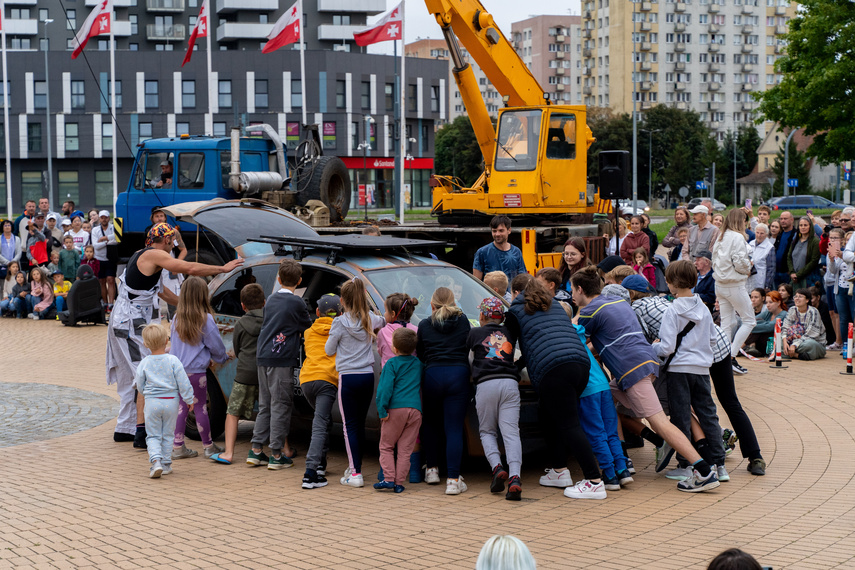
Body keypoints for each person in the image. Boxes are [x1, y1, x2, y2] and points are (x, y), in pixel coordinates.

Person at [572, 266, 720, 493]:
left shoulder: (590, 310)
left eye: (572, 290)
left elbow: (572, 335)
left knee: (659, 421)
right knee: (607, 394)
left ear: (580, 289)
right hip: (647, 363)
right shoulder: (619, 303)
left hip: (632, 371)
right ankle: (622, 463)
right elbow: (608, 337)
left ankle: (703, 469)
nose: (572, 295)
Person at [107, 222, 242, 444]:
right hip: (130, 322)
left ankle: (126, 427)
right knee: (146, 373)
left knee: (129, 375)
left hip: (127, 321)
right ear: (167, 240)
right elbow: (188, 268)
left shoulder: (146, 257)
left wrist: (189, 305)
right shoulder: (153, 255)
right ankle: (142, 432)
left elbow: (163, 293)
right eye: (173, 241)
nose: (174, 245)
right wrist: (222, 268)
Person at [506, 277, 606, 499]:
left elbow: (507, 344)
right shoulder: (555, 307)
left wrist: (513, 366)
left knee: (569, 423)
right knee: (548, 414)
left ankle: (594, 481)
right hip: (580, 364)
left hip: (553, 369)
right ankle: (559, 470)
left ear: (516, 293)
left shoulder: (515, 310)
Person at [653, 260, 729, 484]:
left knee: (681, 416)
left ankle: (686, 464)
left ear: (673, 283)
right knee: (708, 414)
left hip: (679, 370)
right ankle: (720, 463)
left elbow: (666, 348)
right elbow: (713, 339)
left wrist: (653, 347)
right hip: (702, 368)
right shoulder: (703, 307)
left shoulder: (672, 309)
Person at [248, 259, 310, 469]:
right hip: (282, 358)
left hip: (263, 356)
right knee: (281, 405)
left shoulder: (271, 299)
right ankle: (276, 454)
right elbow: (306, 326)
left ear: (278, 278)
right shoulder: (297, 303)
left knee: (265, 404)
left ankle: (256, 449)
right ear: (300, 280)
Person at [325, 278, 386, 487]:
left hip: (348, 378)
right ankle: (355, 466)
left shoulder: (339, 323)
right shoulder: (371, 319)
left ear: (342, 300)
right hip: (367, 376)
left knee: (348, 425)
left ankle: (355, 473)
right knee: (359, 424)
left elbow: (329, 350)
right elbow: (385, 322)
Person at [466, 297, 523, 500]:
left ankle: (497, 468)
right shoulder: (509, 332)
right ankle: (515, 477)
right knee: (511, 433)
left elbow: (468, 359)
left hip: (486, 384)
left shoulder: (474, 333)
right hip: (510, 383)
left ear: (481, 315)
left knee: (487, 431)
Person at [416, 286, 472, 495]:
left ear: (431, 305)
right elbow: (467, 347)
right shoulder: (464, 320)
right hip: (458, 374)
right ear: (454, 302)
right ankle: (453, 480)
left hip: (432, 375)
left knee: (430, 423)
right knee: (454, 428)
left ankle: (431, 470)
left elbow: (420, 353)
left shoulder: (424, 324)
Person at [168, 276, 230, 460]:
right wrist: (221, 358)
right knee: (200, 407)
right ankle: (208, 446)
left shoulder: (177, 318)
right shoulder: (206, 319)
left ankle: (177, 446)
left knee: (182, 408)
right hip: (197, 373)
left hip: (178, 371)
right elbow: (217, 346)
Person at [573, 316, 633, 492]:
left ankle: (609, 473)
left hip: (587, 389)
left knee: (595, 431)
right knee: (610, 430)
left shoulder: (561, 336)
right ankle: (622, 470)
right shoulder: (579, 335)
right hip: (603, 385)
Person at [209, 284, 262, 466]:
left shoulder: (240, 323)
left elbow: (237, 349)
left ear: (242, 306)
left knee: (232, 413)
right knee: (271, 410)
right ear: (264, 302)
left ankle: (229, 453)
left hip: (244, 374)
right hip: (264, 372)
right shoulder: (270, 321)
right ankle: (284, 449)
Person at [134, 323, 195, 479]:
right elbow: (183, 381)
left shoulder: (145, 362)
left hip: (152, 402)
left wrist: (144, 392)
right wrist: (188, 398)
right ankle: (167, 463)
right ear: (166, 341)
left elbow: (139, 383)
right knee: (168, 434)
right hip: (171, 401)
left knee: (153, 435)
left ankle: (156, 461)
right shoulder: (173, 360)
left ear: (146, 344)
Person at [299, 293, 341, 489]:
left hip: (307, 381)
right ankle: (310, 473)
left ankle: (321, 465)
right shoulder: (339, 330)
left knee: (323, 421)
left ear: (317, 312)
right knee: (320, 424)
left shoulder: (308, 332)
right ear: (340, 313)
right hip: (326, 380)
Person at [374, 327, 423, 494]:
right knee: (405, 449)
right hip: (415, 410)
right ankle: (399, 483)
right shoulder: (418, 364)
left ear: (394, 348)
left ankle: (388, 478)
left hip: (395, 409)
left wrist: (382, 410)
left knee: (386, 446)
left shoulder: (391, 364)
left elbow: (384, 389)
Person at [711, 209, 754, 375]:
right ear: (740, 221)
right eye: (745, 220)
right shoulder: (737, 237)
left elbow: (714, 259)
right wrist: (747, 268)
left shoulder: (721, 236)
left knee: (727, 324)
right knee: (749, 320)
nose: (746, 224)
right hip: (734, 284)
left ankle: (723, 359)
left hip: (720, 284)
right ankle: (731, 356)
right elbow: (740, 260)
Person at [473, 215, 527, 289]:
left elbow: (523, 279)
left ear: (509, 230)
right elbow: (476, 283)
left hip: (511, 299)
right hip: (491, 299)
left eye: (501, 230)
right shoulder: (482, 252)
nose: (497, 234)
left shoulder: (516, 252)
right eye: (494, 231)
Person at [780, 288, 827, 360]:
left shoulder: (813, 311)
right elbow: (785, 327)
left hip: (811, 342)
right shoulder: (792, 309)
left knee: (810, 344)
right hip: (793, 342)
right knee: (779, 342)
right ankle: (798, 355)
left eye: (800, 297)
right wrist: (784, 341)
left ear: (807, 300)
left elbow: (811, 334)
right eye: (795, 296)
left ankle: (790, 353)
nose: (797, 299)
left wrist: (794, 345)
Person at [377, 292, 418, 366]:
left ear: (393, 314)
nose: (384, 314)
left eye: (386, 311)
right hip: (411, 373)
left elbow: (380, 351)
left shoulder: (383, 332)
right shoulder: (416, 330)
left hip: (390, 372)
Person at [91, 210, 117, 307]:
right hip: (99, 258)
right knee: (101, 281)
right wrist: (107, 242)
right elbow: (95, 245)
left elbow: (117, 239)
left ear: (108, 218)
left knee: (111, 279)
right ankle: (105, 303)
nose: (104, 219)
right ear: (99, 218)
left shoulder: (113, 227)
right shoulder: (95, 230)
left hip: (111, 258)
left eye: (105, 217)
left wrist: (104, 238)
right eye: (102, 217)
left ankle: (111, 303)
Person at [788, 216, 821, 290]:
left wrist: (798, 275)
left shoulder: (815, 241)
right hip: (794, 278)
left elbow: (814, 261)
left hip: (808, 278)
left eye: (805, 225)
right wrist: (792, 273)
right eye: (801, 225)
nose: (803, 227)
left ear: (810, 226)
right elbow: (789, 257)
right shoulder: (795, 240)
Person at [749, 223, 775, 290]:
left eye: (762, 233)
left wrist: (767, 285)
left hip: (760, 280)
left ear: (766, 235)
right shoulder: (750, 244)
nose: (759, 235)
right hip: (749, 279)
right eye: (757, 232)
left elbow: (771, 269)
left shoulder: (769, 247)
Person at [774, 210, 797, 286]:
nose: (783, 221)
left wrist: (790, 270)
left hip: (787, 273)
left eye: (785, 219)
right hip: (776, 272)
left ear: (792, 220)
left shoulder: (796, 235)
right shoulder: (779, 235)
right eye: (781, 219)